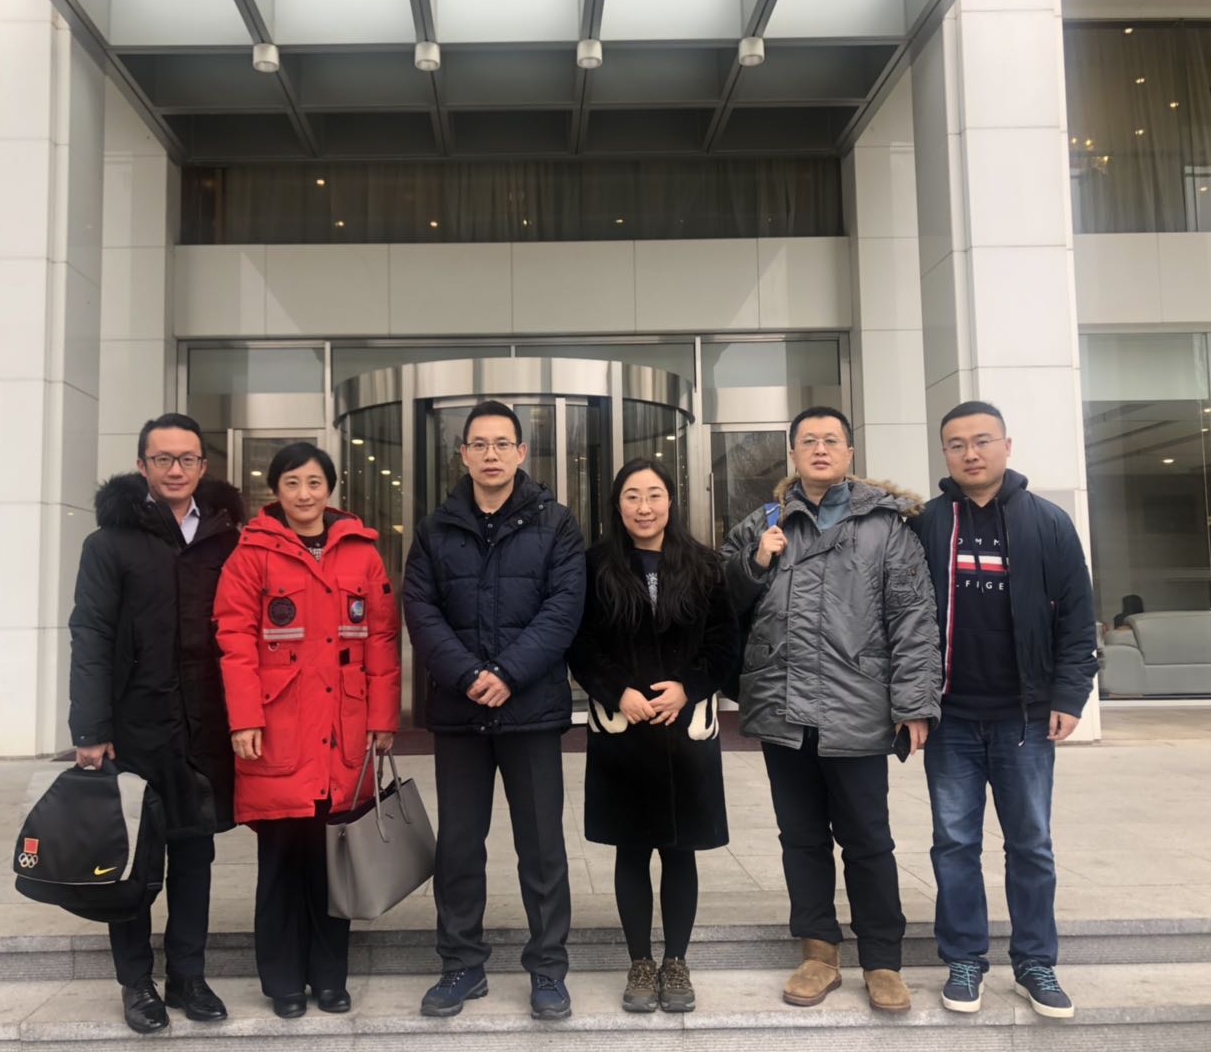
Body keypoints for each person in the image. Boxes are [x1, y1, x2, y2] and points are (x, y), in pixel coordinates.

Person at [720, 406, 941, 1015]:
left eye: (831, 440)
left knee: (868, 840)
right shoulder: (764, 523)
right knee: (801, 839)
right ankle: (818, 952)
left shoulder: (886, 527)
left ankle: (882, 961)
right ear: (793, 453)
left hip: (859, 709)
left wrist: (914, 703)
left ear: (849, 452)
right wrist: (754, 562)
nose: (820, 448)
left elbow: (914, 618)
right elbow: (719, 602)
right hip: (783, 709)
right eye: (808, 440)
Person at [911, 401, 1098, 1019]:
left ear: (1006, 446)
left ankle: (1035, 962)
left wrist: (1068, 695)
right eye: (957, 444)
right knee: (954, 844)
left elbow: (1078, 618)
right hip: (951, 719)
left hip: (1025, 718)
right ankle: (964, 959)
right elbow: (903, 620)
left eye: (982, 440)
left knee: (1031, 844)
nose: (971, 453)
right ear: (945, 453)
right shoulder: (928, 524)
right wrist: (912, 702)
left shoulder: (1048, 523)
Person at [403, 400, 585, 1021]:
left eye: (501, 444)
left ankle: (548, 970)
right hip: (460, 715)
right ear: (462, 454)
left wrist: (508, 673)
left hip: (530, 709)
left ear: (520, 452)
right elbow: (421, 612)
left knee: (541, 847)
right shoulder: (434, 529)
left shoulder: (557, 523)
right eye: (478, 444)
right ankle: (461, 965)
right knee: (458, 846)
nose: (490, 455)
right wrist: (468, 675)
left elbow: (563, 609)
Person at [213, 442, 400, 1019]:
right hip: (278, 732)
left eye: (314, 482)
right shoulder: (251, 553)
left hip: (343, 732)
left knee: (333, 864)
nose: (304, 494)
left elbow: (381, 640)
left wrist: (382, 719)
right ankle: (284, 982)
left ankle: (330, 977)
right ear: (276, 490)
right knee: (280, 864)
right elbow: (234, 639)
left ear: (330, 489)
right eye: (292, 483)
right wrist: (245, 717)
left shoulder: (361, 552)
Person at [68, 413, 242, 1035]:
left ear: (203, 466)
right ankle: (136, 982)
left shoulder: (225, 540)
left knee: (196, 854)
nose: (175, 469)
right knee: (134, 861)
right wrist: (90, 728)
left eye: (187, 459)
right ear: (141, 466)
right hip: (134, 724)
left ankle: (188, 975)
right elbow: (90, 635)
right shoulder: (109, 544)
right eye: (163, 459)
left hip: (205, 724)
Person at [567, 459, 737, 1014]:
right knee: (632, 849)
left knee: (681, 851)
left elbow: (724, 644)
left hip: (685, 730)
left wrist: (687, 687)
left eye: (655, 495)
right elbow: (580, 643)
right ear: (617, 504)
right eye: (633, 496)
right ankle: (640, 961)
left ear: (671, 501)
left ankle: (677, 961)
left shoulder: (705, 565)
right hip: (625, 731)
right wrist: (618, 691)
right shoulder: (593, 566)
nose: (644, 507)